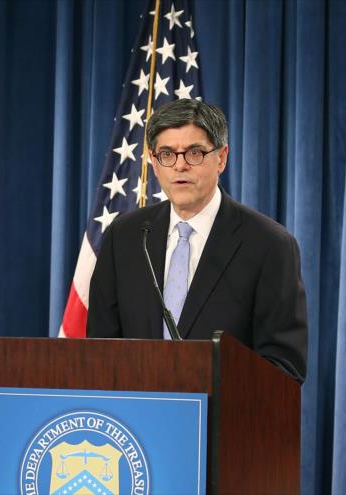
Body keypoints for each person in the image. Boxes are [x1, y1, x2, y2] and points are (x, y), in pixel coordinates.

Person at [87, 99, 308, 382]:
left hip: (224, 421)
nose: (180, 166)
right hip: (137, 421)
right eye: (167, 154)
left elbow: (283, 366)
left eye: (194, 153)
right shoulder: (125, 237)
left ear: (222, 158)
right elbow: (99, 349)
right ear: (154, 163)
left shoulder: (269, 245)